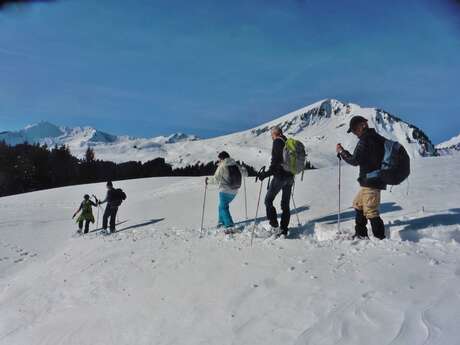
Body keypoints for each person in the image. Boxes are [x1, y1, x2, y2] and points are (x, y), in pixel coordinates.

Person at [336, 116, 386, 240]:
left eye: (354, 130)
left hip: (371, 181)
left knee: (371, 210)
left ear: (362, 126)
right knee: (358, 204)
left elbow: (354, 160)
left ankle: (381, 239)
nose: (354, 133)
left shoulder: (366, 140)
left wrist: (342, 152)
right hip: (372, 180)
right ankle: (361, 234)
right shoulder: (376, 137)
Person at [257, 126, 294, 237]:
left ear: (275, 134)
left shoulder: (278, 142)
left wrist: (266, 174)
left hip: (280, 176)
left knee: (268, 200)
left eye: (271, 135)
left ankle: (275, 227)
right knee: (285, 204)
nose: (271, 137)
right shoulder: (288, 142)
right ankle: (284, 229)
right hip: (290, 177)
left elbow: (276, 161)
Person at [206, 151, 246, 233]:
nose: (219, 161)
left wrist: (207, 181)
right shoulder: (235, 165)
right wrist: (243, 168)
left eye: (219, 159)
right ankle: (221, 222)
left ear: (222, 158)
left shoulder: (222, 166)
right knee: (221, 206)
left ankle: (229, 225)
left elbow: (216, 179)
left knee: (223, 207)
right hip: (234, 190)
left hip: (225, 190)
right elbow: (245, 173)